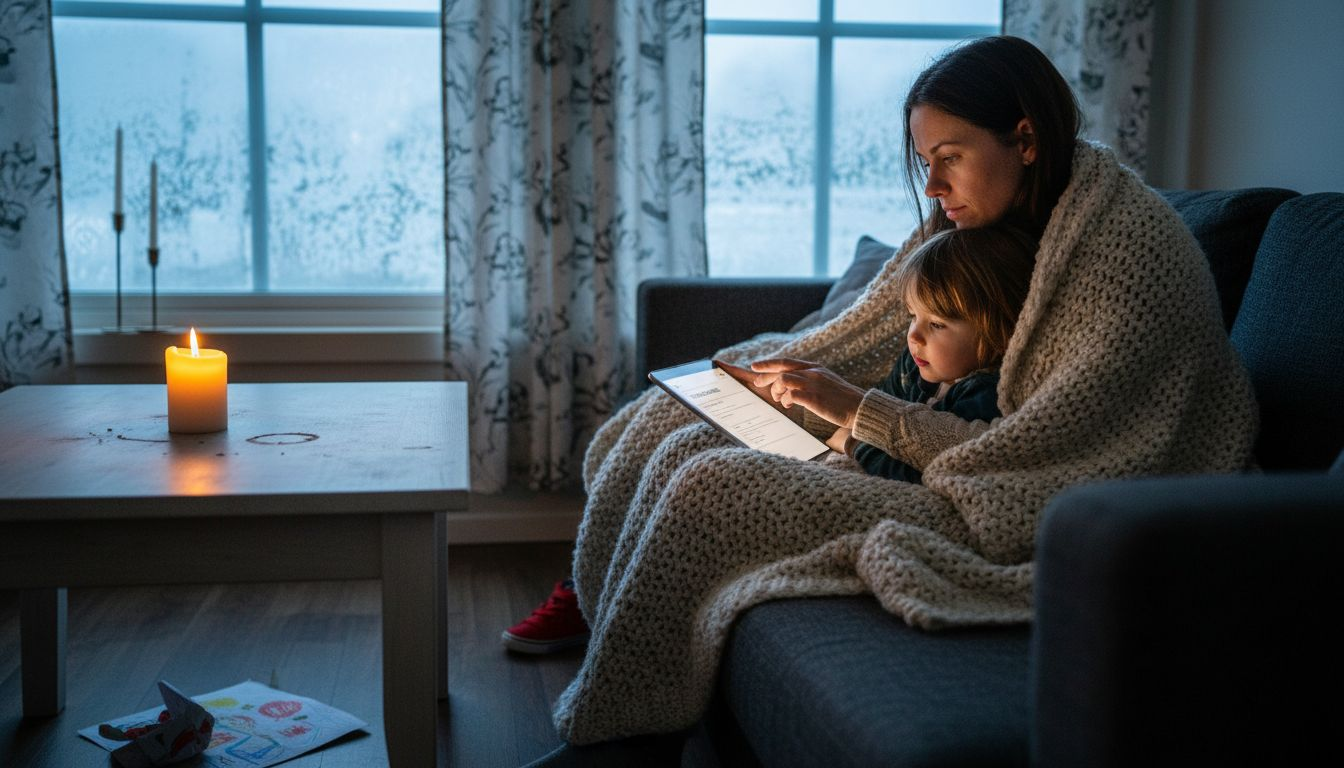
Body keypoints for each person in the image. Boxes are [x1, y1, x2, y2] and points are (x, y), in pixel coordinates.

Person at [521, 35, 1257, 758]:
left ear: (1026, 139)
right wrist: (750, 375)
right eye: (925, 161)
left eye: (950, 158)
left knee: (713, 484)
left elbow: (1033, 464)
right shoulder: (977, 220)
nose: (932, 186)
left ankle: (618, 741)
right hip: (946, 461)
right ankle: (609, 649)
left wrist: (857, 412)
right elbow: (863, 333)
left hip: (1030, 502)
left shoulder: (1128, 254)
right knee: (685, 431)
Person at [832, 224, 1037, 484]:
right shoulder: (914, 363)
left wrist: (854, 445)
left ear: (996, 333)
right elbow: (880, 403)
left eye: (937, 324)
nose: (914, 336)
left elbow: (922, 473)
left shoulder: (985, 395)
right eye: (913, 316)